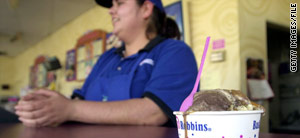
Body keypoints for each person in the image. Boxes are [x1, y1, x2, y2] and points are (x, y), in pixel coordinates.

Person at [15, 0, 197, 127]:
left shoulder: (175, 51)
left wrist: (70, 109)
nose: (111, 10)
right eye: (111, 4)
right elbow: (80, 100)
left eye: (119, 3)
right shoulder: (107, 58)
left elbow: (154, 113)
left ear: (146, 9)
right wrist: (45, 108)